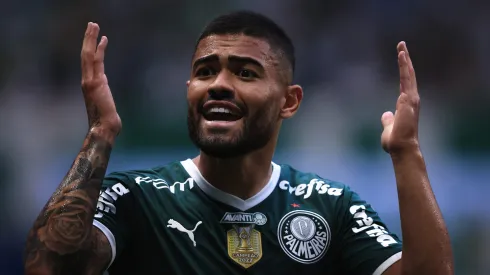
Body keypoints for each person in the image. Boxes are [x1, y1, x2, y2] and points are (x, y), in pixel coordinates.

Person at [23, 11, 454, 275]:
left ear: (289, 101)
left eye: (246, 73)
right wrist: (100, 133)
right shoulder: (136, 199)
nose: (219, 85)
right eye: (206, 71)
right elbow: (48, 267)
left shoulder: (331, 209)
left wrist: (407, 154)